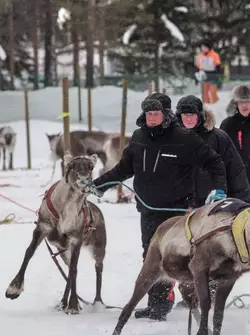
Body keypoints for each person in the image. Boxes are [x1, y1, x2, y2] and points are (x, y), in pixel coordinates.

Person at [85, 92, 228, 321]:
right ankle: (157, 305)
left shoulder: (184, 137)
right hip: (148, 208)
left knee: (172, 259)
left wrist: (218, 189)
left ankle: (181, 300)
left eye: (156, 113)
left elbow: (215, 162)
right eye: (148, 113)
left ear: (166, 114)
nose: (151, 117)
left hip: (177, 212)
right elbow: (123, 168)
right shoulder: (139, 137)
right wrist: (99, 186)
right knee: (150, 257)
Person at [175, 95, 250, 205]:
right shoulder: (172, 139)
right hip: (180, 206)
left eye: (192, 115)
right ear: (179, 116)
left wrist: (241, 201)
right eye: (185, 115)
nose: (188, 119)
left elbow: (235, 170)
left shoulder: (218, 137)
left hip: (213, 204)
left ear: (200, 115)